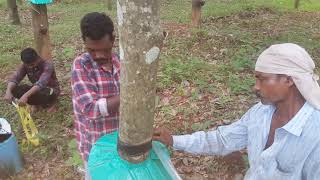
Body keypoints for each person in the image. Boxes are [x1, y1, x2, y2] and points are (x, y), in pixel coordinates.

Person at [153, 43, 320, 180]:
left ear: (289, 80)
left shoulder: (315, 134)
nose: (256, 86)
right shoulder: (260, 113)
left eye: (262, 79)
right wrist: (173, 140)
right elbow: (222, 140)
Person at [71, 12, 120, 179]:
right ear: (84, 42)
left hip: (121, 140)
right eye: (92, 50)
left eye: (105, 50)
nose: (98, 56)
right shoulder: (81, 65)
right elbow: (91, 108)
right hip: (95, 144)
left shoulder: (121, 61)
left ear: (113, 40)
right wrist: (132, 93)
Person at [4, 48, 60, 112]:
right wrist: (8, 91)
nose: (30, 67)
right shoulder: (25, 65)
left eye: (32, 64)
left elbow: (41, 84)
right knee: (14, 89)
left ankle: (51, 104)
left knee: (47, 92)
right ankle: (35, 103)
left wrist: (26, 96)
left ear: (37, 58)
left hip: (50, 90)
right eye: (28, 65)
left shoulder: (47, 65)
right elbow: (15, 78)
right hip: (36, 89)